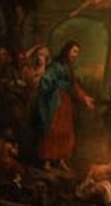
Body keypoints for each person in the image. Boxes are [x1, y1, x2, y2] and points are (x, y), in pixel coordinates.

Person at [33, 41, 95, 171]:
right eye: (74, 51)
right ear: (67, 51)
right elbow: (46, 80)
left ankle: (61, 159)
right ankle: (47, 161)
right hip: (54, 102)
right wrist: (54, 85)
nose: (75, 55)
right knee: (52, 130)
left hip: (65, 103)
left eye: (77, 52)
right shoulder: (56, 66)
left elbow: (73, 86)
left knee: (66, 131)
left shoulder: (68, 68)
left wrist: (84, 98)